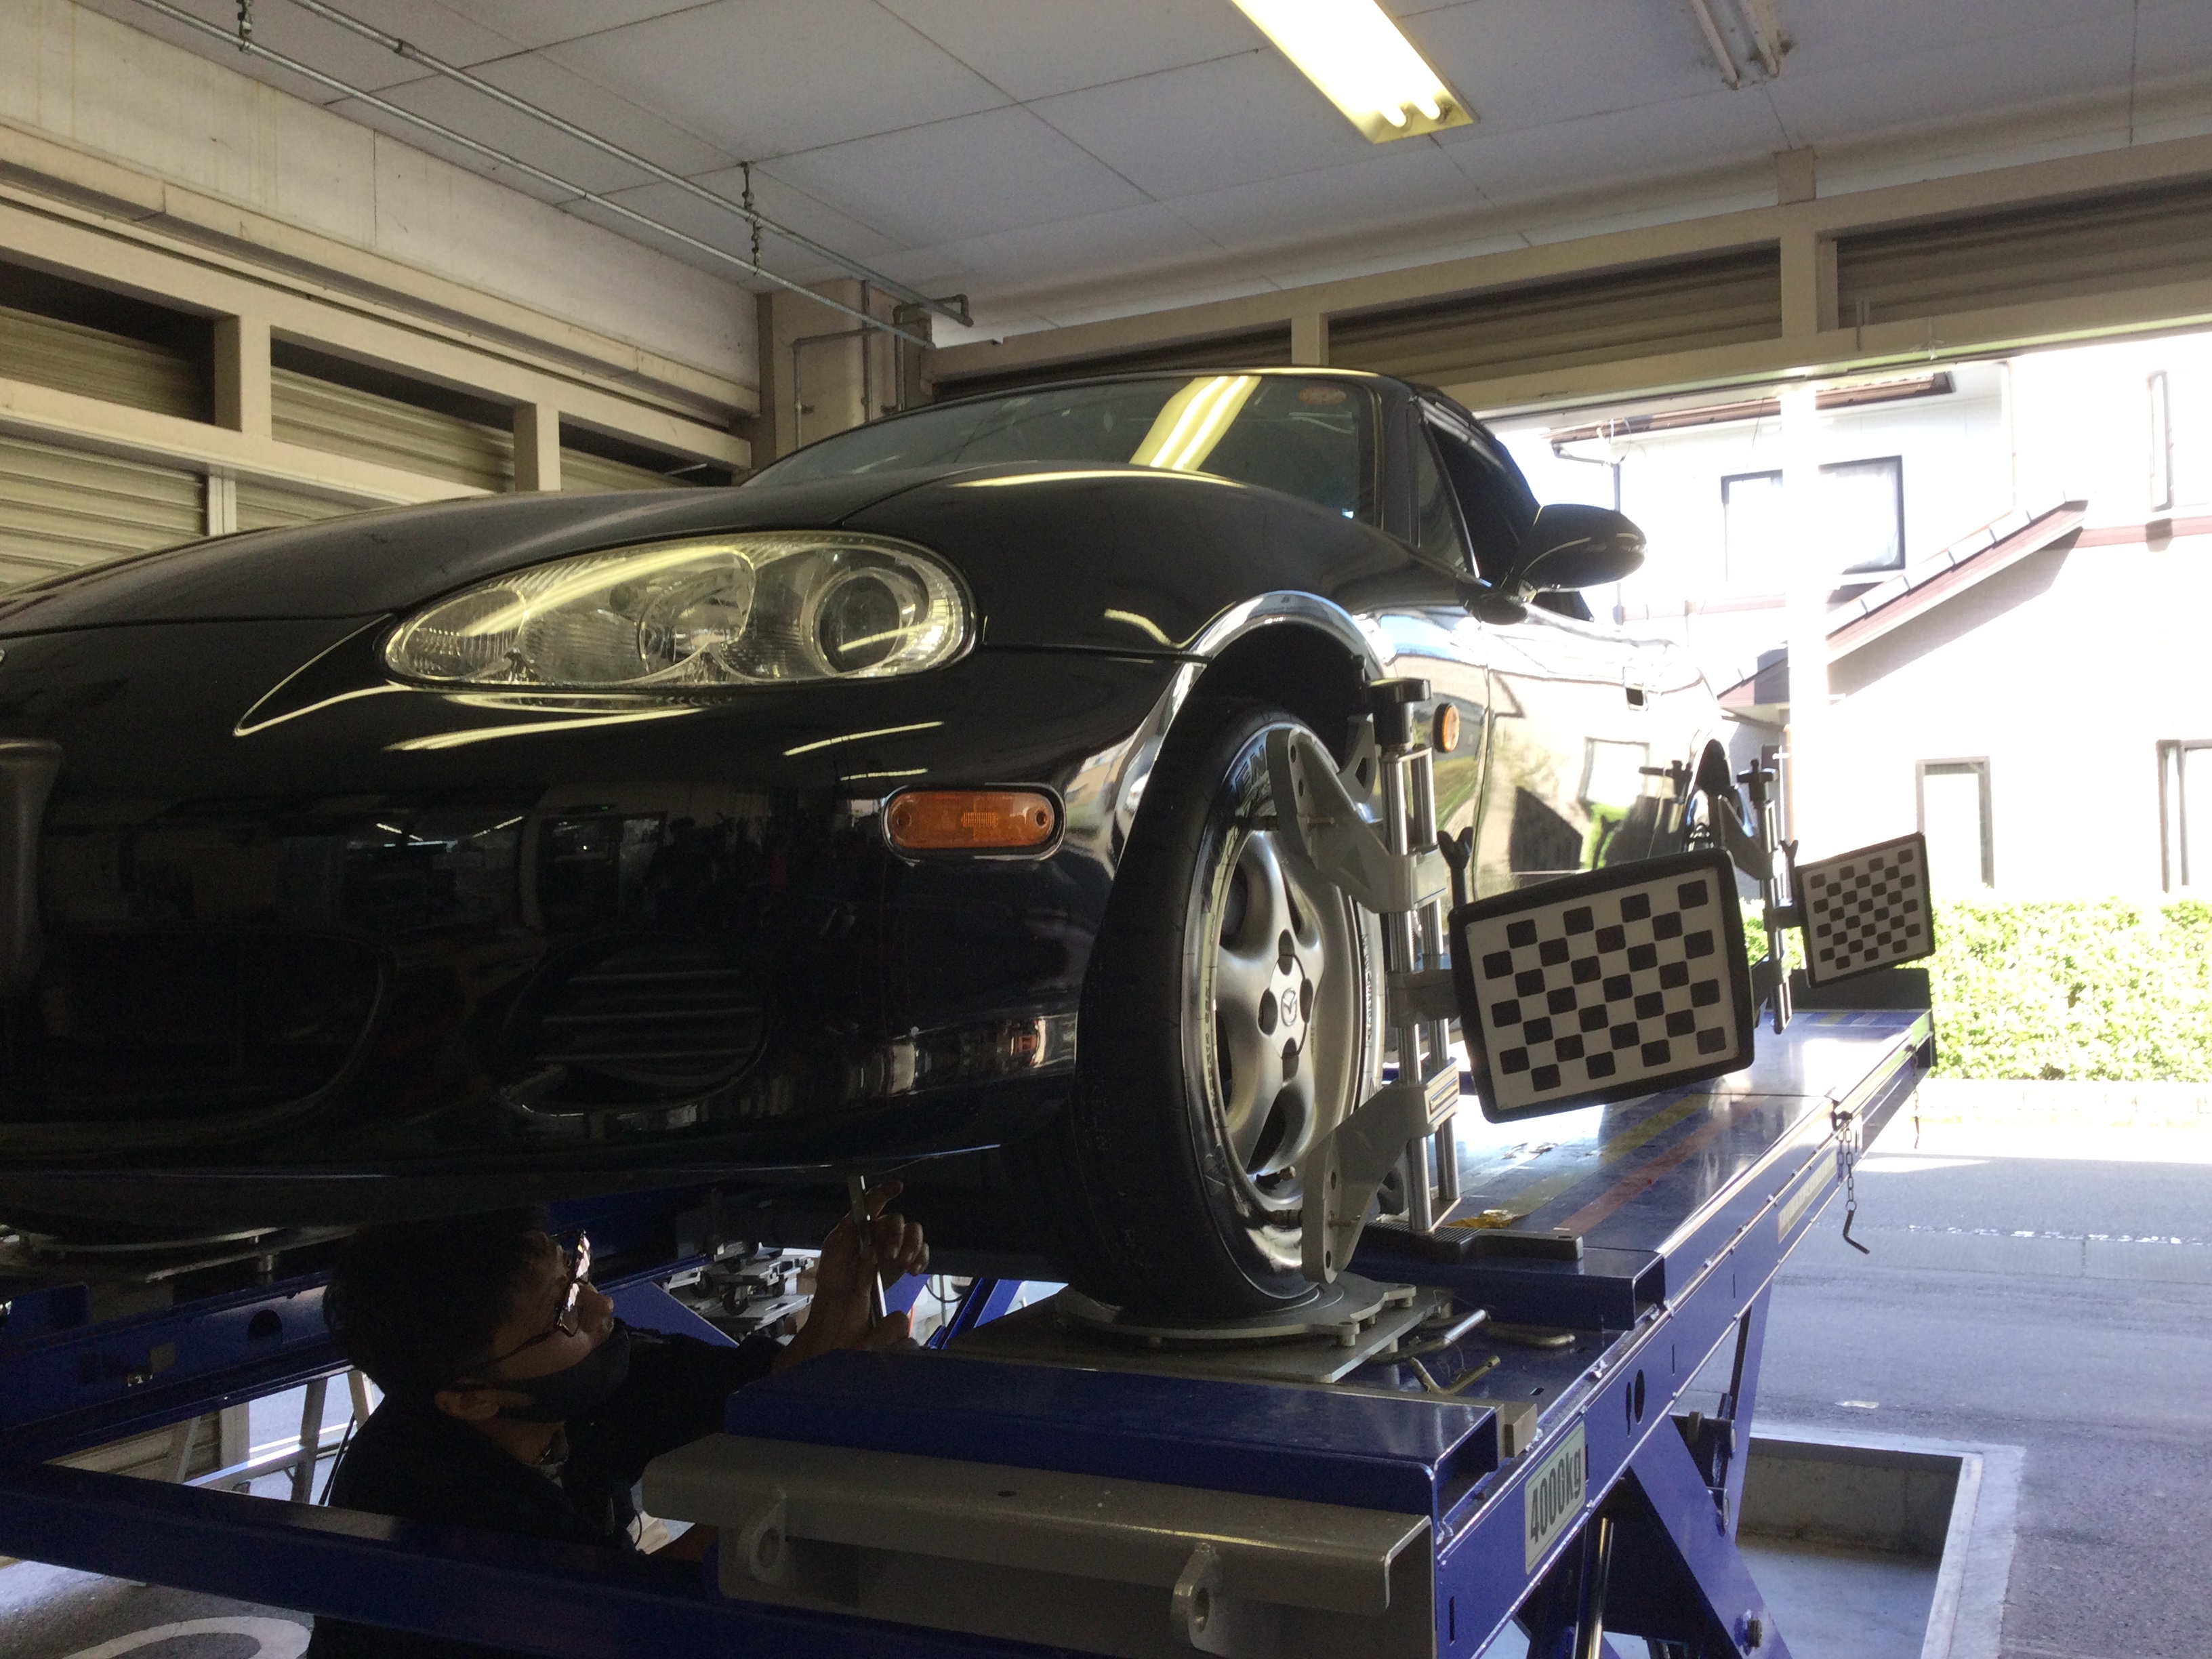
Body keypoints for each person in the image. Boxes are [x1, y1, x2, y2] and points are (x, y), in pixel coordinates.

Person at [302, 1182, 928, 1659]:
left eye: (575, 1273)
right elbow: (645, 1618)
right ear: (469, 1400)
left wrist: (839, 1294)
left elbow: (763, 1393)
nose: (600, 1306)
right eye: (563, 1311)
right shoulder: (429, 1510)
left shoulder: (569, 1386)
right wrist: (800, 1453)